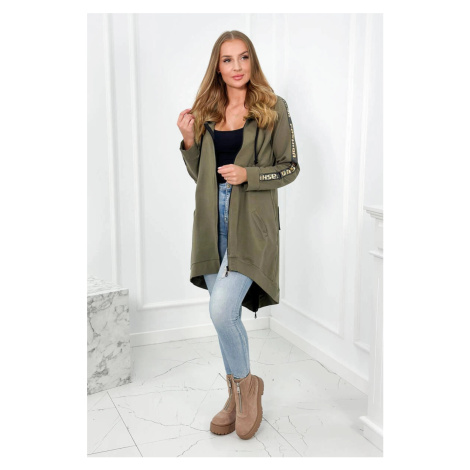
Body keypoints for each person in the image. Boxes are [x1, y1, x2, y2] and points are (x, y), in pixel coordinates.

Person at [177, 30, 300, 440]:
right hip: (211, 221)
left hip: (252, 223)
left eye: (244, 57)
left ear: (252, 61)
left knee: (221, 311)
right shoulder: (207, 110)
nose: (237, 67)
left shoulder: (273, 106)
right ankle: (236, 394)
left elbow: (290, 167)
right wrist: (189, 140)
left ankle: (248, 388)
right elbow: (200, 175)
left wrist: (250, 174)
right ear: (217, 66)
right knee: (223, 316)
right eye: (228, 59)